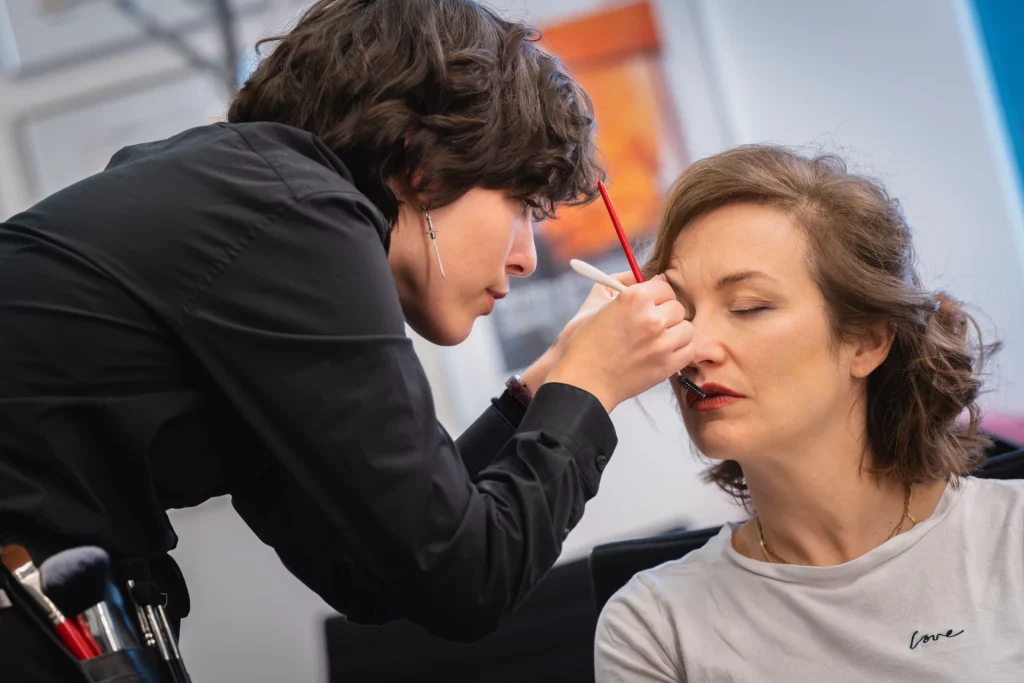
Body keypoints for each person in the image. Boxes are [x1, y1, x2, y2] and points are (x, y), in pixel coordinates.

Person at [0, 0, 696, 677]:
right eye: (520, 205)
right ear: (424, 165)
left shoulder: (252, 201)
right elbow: (467, 580)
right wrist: (590, 385)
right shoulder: (293, 218)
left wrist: (537, 394)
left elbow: (374, 572)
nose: (526, 258)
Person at [593, 145, 1020, 682]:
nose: (693, 347)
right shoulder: (654, 628)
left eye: (748, 306)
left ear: (868, 340)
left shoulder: (1012, 540)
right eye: (679, 313)